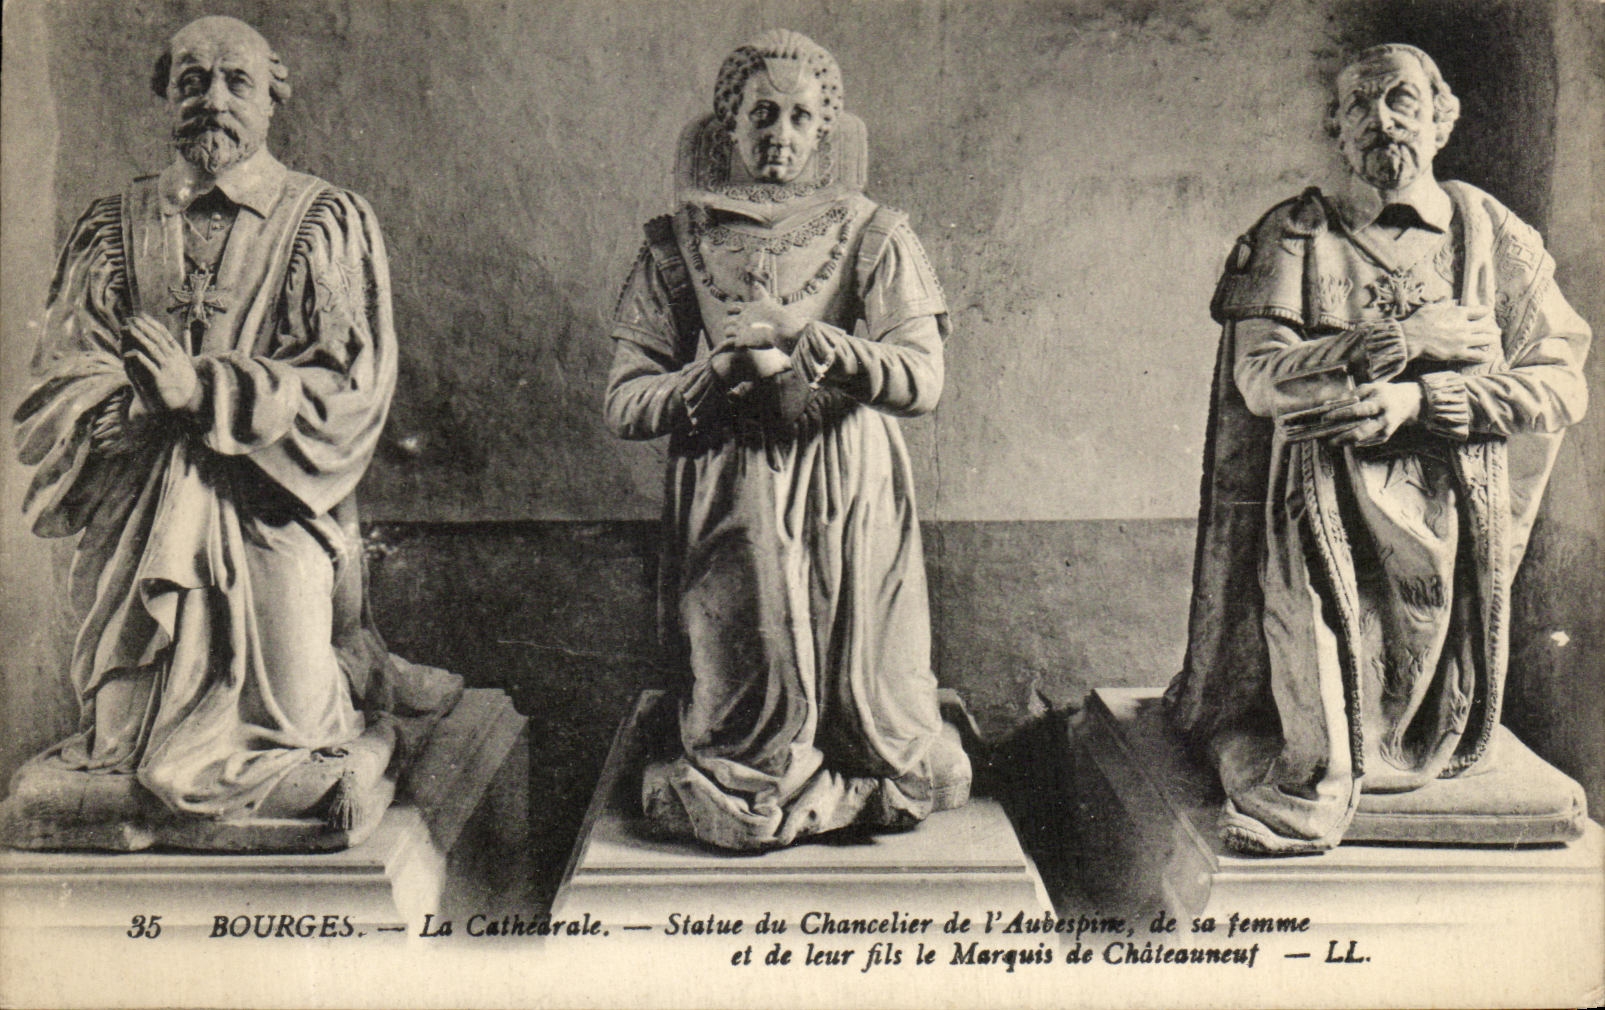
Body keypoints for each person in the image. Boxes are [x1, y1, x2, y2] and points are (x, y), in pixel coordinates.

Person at [3, 16, 460, 851]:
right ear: (164, 96)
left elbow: (350, 386)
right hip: (142, 523)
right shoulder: (113, 227)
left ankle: (363, 708)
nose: (212, 101)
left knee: (290, 721)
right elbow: (55, 386)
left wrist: (206, 389)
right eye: (191, 82)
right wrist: (141, 408)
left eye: (236, 82)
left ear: (270, 101)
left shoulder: (323, 220)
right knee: (118, 735)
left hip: (269, 508)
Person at [1165, 44, 1591, 853]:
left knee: (1440, 717)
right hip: (1319, 506)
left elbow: (1560, 381)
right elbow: (1260, 378)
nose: (1378, 120)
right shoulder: (1295, 234)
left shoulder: (1489, 234)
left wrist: (1422, 398)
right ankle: (1311, 784)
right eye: (1357, 106)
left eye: (1398, 100)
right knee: (1316, 667)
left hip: (1454, 515)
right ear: (1334, 126)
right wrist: (1396, 341)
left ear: (1441, 117)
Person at [604, 30, 969, 851]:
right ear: (727, 126)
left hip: (850, 474)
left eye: (802, 117)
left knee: (884, 714)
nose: (781, 133)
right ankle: (751, 769)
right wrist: (711, 372)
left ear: (825, 132)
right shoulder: (677, 242)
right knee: (745, 718)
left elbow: (923, 377)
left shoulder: (876, 232)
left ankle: (864, 768)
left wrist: (815, 337)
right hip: (732, 477)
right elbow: (625, 401)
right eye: (760, 113)